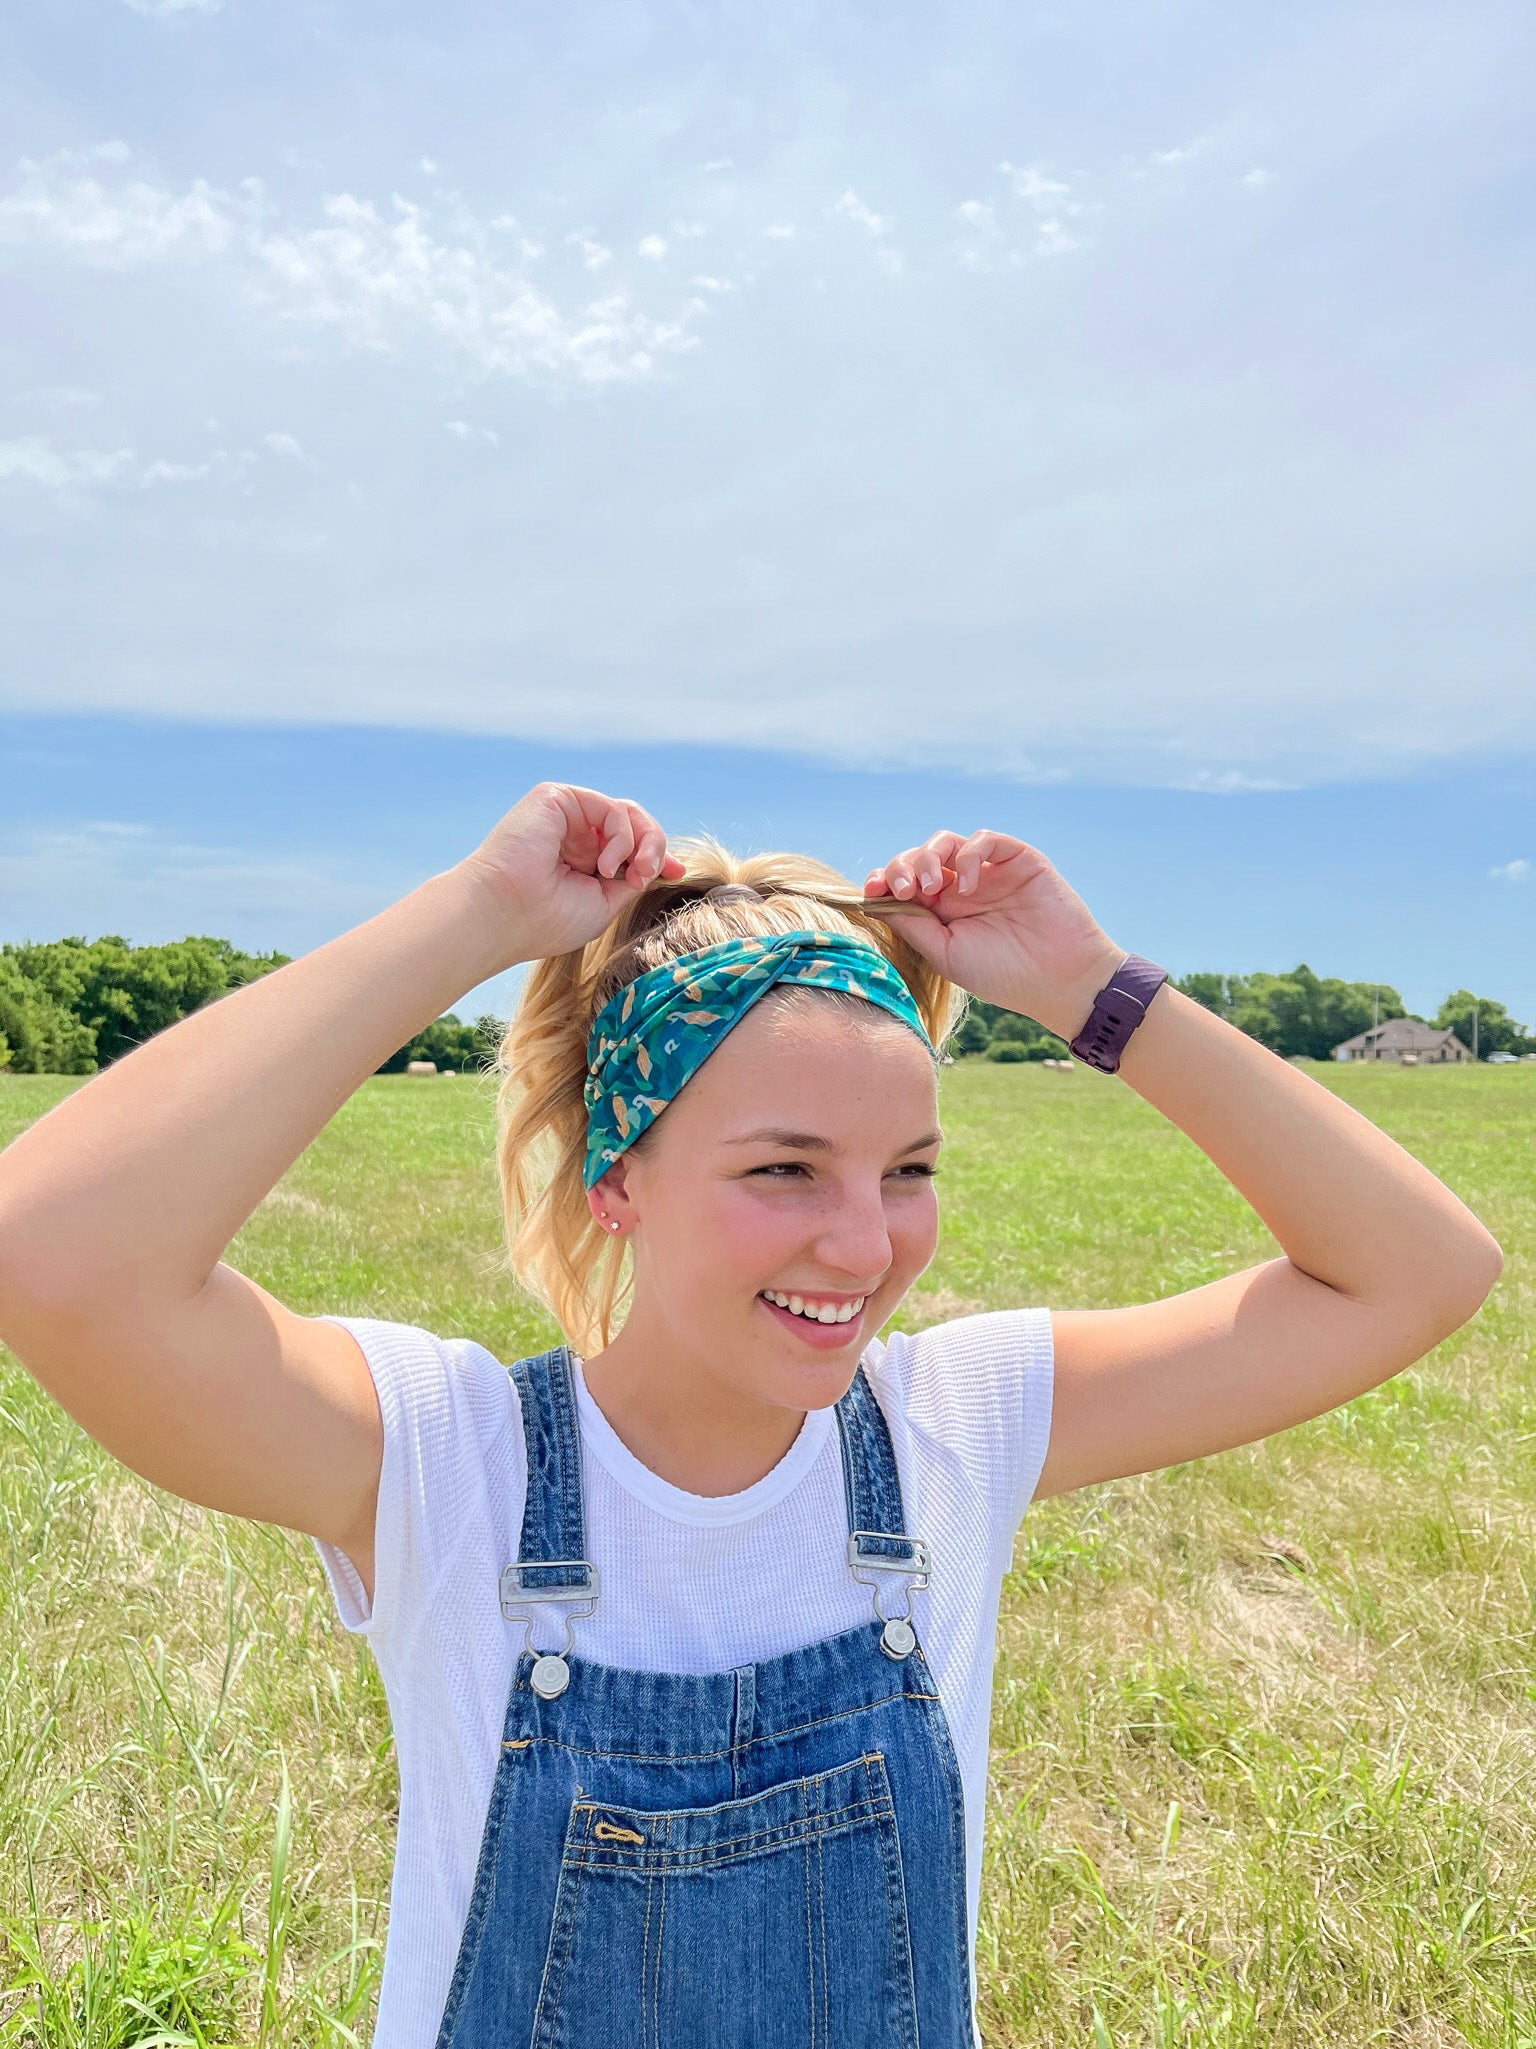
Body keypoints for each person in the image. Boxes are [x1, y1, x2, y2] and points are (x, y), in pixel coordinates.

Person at [0, 780, 1502, 2049]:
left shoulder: (952, 1432)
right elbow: (58, 1256)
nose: (866, 1247)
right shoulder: (447, 1460)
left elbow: (1422, 1269)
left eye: (907, 1167)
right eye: (785, 1167)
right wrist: (473, 917)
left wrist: (1090, 990)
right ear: (619, 1177)